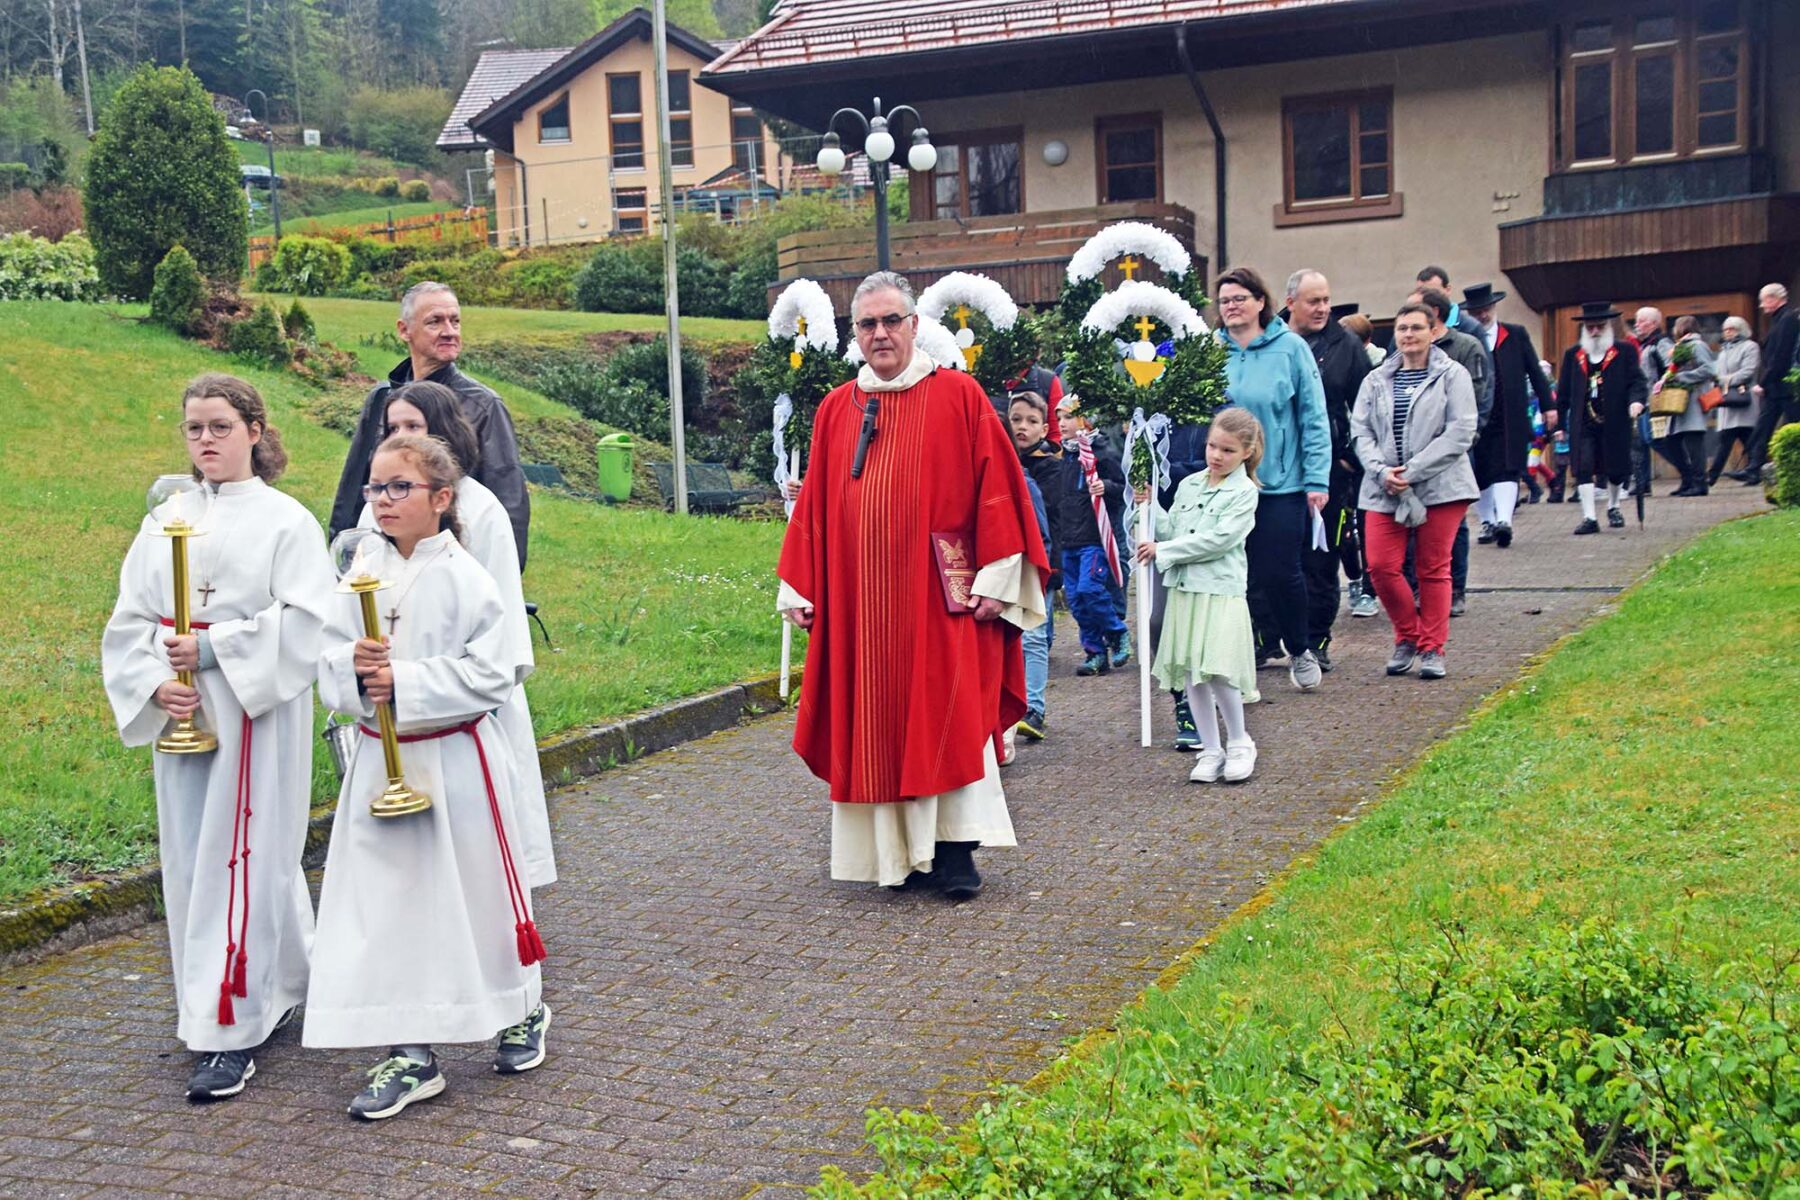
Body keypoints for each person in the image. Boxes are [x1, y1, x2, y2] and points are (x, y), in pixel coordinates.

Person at [776, 271, 1049, 901]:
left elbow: (998, 489)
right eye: (867, 323)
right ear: (855, 333)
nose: (880, 333)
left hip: (937, 597)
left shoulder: (958, 396)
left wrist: (998, 577)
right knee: (873, 721)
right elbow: (816, 504)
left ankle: (953, 853)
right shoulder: (837, 408)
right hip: (861, 604)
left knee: (946, 716)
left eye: (891, 320)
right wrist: (802, 586)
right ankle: (895, 857)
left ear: (914, 325)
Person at [102, 374, 334, 1102]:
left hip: (252, 709)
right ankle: (282, 981)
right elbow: (130, 619)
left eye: (220, 426)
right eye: (194, 428)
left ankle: (228, 1031)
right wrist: (153, 681)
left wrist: (212, 650)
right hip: (184, 713)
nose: (205, 440)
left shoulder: (286, 521)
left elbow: (309, 621)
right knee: (192, 861)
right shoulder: (165, 520)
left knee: (245, 858)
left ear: (255, 432)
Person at [307, 434, 549, 1121]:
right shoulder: (360, 571)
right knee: (389, 905)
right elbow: (325, 657)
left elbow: (494, 673)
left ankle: (519, 1007)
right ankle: (410, 1052)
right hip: (378, 765)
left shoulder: (464, 577)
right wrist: (355, 672)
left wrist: (405, 681)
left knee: (473, 896)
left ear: (441, 498)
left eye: (397, 487)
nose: (381, 501)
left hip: (452, 761)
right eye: (374, 487)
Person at [354, 381, 555, 889]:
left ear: (443, 431)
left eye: (414, 426)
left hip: (461, 705)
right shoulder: (376, 511)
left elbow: (499, 620)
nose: (401, 436)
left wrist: (429, 684)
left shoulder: (481, 509)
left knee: (469, 858)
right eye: (392, 427)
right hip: (387, 708)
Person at [328, 282, 530, 566]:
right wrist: (341, 553)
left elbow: (509, 501)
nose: (449, 331)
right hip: (384, 557)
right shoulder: (381, 399)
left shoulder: (483, 405)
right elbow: (353, 488)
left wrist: (504, 570)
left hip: (454, 558)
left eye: (455, 321)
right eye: (435, 321)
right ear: (404, 330)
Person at [1212, 266, 1330, 692]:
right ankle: (1241, 657)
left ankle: (1300, 648)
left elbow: (1313, 417)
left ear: (1260, 302)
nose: (1231, 307)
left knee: (1280, 573)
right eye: (1225, 301)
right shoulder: (1210, 351)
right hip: (1226, 484)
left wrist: (1317, 479)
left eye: (1240, 298)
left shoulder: (1290, 348)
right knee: (1232, 577)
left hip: (1280, 484)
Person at [1136, 407, 1264, 784]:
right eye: (1212, 446)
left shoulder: (1244, 492)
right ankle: (1211, 748)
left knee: (1219, 669)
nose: (1216, 456)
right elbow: (1173, 529)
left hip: (1219, 590)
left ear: (1246, 452)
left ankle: (1239, 741)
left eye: (1227, 450)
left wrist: (1164, 551)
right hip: (1185, 589)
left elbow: (1219, 540)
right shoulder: (1190, 484)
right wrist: (1149, 506)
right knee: (1192, 673)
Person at [1352, 303, 1479, 681]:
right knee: (1380, 566)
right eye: (1402, 328)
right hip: (1383, 486)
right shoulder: (1375, 379)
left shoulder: (1453, 375)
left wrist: (1413, 471)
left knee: (1432, 568)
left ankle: (1432, 647)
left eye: (1417, 328)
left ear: (1433, 332)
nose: (1408, 335)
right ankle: (1407, 635)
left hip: (1441, 487)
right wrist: (1381, 471)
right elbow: (1361, 431)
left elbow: (1460, 431)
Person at [1284, 269, 1371, 670]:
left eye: (1326, 300)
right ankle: (1267, 636)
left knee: (1320, 557)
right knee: (1273, 557)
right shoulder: (1271, 341)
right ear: (1291, 303)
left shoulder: (1345, 345)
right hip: (1276, 467)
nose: (1322, 309)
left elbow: (1367, 406)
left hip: (1329, 470)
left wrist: (1351, 457)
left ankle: (1316, 639)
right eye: (1313, 301)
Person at [1402, 286, 1489, 617]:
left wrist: (1465, 439)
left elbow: (1478, 398)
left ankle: (1455, 589)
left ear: (1433, 315)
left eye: (1415, 317)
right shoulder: (1402, 352)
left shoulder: (1465, 347)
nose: (1408, 328)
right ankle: (1417, 587)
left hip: (1452, 451)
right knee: (1411, 520)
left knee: (1454, 525)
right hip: (1410, 455)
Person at [1462, 282, 1553, 549]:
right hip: (1476, 415)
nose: (1482, 315)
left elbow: (1534, 371)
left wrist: (1548, 405)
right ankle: (1487, 521)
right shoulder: (1465, 340)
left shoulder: (1515, 334)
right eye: (1476, 311)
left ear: (1494, 307)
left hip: (1509, 414)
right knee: (1479, 472)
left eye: (1486, 309)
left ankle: (1504, 521)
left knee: (1509, 467)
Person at [1053, 395, 1130, 676]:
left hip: (1093, 540)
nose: (1061, 424)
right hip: (1068, 541)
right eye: (1059, 418)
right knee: (1076, 600)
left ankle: (1117, 632)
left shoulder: (1101, 453)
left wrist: (1105, 486)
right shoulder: (1063, 457)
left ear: (1085, 420)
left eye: (1068, 417)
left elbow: (1124, 489)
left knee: (1090, 589)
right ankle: (1095, 652)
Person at [1558, 302, 1647, 534]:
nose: (1595, 331)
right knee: (1583, 466)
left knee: (1615, 469)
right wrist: (1559, 423)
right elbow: (1563, 391)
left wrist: (1636, 401)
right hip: (1583, 421)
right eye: (1590, 327)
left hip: (1615, 420)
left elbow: (1637, 381)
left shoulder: (1624, 351)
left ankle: (1613, 506)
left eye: (1600, 326)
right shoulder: (1573, 355)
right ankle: (1589, 517)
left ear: (1608, 326)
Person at [1008, 390, 1062, 741]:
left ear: (1044, 429)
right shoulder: (1002, 460)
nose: (1022, 427)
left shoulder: (1050, 467)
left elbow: (1052, 519)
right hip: (1010, 562)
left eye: (1031, 421)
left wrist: (1051, 566)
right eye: (1016, 420)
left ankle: (1035, 708)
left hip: (1042, 560)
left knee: (1034, 636)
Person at [1742, 283, 1800, 484]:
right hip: (1776, 387)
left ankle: (1782, 470)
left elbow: (1781, 356)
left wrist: (1764, 382)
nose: (1761, 305)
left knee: (1789, 426)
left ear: (1775, 299)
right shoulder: (1780, 319)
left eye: (1764, 300)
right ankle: (1753, 468)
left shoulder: (1788, 319)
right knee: (1763, 426)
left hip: (1784, 386)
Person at [1656, 316, 1716, 497]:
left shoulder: (1697, 346)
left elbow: (1708, 369)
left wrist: (1682, 377)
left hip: (1693, 400)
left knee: (1694, 443)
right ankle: (1688, 480)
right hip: (1679, 401)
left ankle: (1699, 483)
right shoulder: (1680, 347)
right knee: (1672, 441)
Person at [1708, 316, 1761, 485]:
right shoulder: (1724, 350)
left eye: (1732, 329)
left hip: (1743, 399)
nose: (1728, 332)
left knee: (1747, 439)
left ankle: (1752, 472)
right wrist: (1717, 381)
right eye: (1725, 329)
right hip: (1728, 402)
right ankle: (1713, 476)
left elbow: (1748, 371)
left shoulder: (1750, 346)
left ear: (1741, 330)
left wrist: (1723, 380)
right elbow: (1717, 373)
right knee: (1727, 441)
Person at [1416, 266, 1483, 338]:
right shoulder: (1414, 324)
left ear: (1448, 290)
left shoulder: (1470, 327)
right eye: (1422, 292)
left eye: (1434, 292)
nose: (1427, 298)